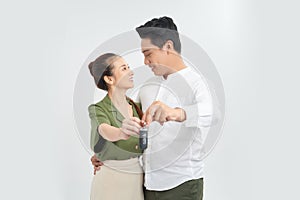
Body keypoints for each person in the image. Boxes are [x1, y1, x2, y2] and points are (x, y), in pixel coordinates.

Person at [92, 16, 213, 200]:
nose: (145, 61)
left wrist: (177, 113)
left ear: (168, 47)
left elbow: (212, 114)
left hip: (182, 185)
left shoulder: (197, 83)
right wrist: (106, 154)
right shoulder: (148, 86)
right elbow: (126, 120)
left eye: (148, 54)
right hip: (147, 185)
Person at [88, 53, 145, 200]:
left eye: (129, 68)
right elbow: (104, 130)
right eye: (124, 68)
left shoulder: (137, 107)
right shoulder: (98, 109)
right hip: (110, 180)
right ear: (109, 79)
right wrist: (121, 132)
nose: (131, 72)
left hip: (136, 179)